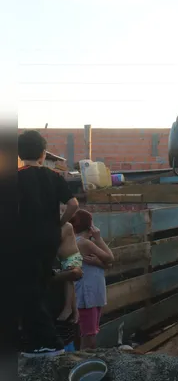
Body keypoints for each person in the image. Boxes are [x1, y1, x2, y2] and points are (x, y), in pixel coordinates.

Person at [14, 130, 79, 357]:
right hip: (50, 238)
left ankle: (48, 343)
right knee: (39, 285)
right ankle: (37, 341)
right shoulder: (54, 177)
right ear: (43, 154)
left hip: (24, 240)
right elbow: (73, 204)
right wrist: (58, 224)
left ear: (19, 154)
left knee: (27, 289)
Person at [70, 209, 114, 350]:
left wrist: (99, 263)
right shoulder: (84, 243)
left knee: (87, 334)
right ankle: (85, 365)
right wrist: (99, 238)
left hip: (88, 293)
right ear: (90, 227)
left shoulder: (76, 241)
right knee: (89, 338)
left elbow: (107, 263)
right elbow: (110, 258)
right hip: (88, 295)